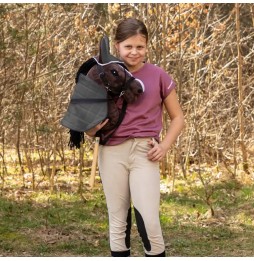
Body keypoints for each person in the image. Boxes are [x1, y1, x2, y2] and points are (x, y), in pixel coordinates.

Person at [86, 18, 185, 257]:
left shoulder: (158, 75)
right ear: (117, 46)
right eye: (128, 46)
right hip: (111, 153)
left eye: (140, 47)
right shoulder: (103, 74)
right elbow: (87, 122)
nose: (134, 52)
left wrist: (164, 146)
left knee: (149, 221)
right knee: (118, 221)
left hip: (145, 153)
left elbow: (178, 118)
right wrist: (91, 129)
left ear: (147, 47)